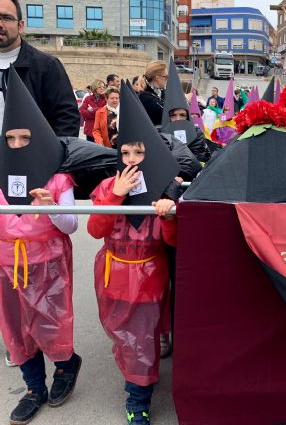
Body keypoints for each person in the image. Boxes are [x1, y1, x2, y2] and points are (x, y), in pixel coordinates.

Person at [88, 82, 181, 425]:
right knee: (126, 338)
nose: (131, 160)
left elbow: (172, 243)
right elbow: (96, 229)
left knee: (141, 342)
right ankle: (141, 375)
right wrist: (114, 195)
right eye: (125, 153)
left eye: (139, 153)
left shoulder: (163, 190)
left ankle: (137, 399)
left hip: (148, 279)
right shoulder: (107, 186)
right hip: (114, 277)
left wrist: (169, 215)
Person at [0, 67, 81, 425]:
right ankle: (34, 387)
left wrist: (51, 207)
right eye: (11, 138)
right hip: (7, 264)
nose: (17, 145)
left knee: (51, 323)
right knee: (17, 329)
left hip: (47, 262)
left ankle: (65, 366)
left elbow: (72, 224)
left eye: (25, 137)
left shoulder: (57, 176)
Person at [0, 0, 80, 136]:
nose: (0, 24)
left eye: (6, 18)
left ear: (20, 26)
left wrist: (50, 157)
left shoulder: (47, 66)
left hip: (29, 157)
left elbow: (67, 119)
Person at [138, 61, 169, 126]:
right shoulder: (145, 97)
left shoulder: (161, 93)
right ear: (157, 78)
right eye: (166, 77)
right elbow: (166, 115)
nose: (167, 79)